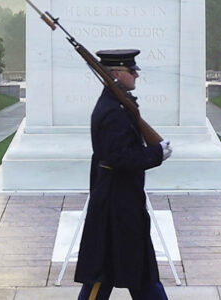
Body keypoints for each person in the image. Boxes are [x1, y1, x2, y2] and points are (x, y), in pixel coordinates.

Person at [74, 49, 172, 300]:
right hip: (115, 206)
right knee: (103, 275)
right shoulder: (113, 111)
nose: (137, 74)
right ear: (116, 74)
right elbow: (119, 157)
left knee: (136, 272)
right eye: (132, 70)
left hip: (120, 201)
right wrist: (156, 153)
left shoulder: (118, 105)